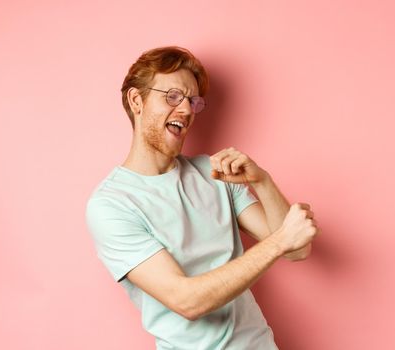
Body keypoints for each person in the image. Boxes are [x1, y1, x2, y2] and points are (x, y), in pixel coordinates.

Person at [85, 46, 319, 350]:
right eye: (172, 96)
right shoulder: (112, 205)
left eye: (192, 101)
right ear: (136, 100)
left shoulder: (214, 172)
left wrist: (262, 181)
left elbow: (296, 251)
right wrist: (279, 242)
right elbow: (187, 301)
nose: (185, 110)